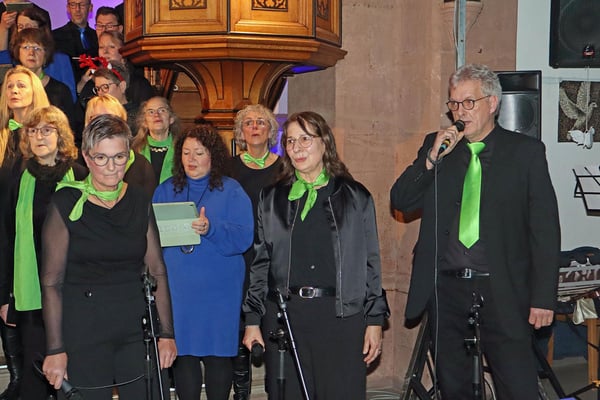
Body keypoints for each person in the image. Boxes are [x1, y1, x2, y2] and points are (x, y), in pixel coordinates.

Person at [390, 63, 561, 399]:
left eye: (469, 102)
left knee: (517, 385)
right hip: (446, 288)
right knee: (453, 385)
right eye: (454, 104)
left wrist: (543, 297)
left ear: (492, 103)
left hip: (503, 288)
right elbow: (401, 200)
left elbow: (545, 231)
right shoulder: (438, 148)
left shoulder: (525, 153)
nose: (460, 112)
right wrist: (430, 159)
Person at [242, 111, 389, 400]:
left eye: (305, 139)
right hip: (285, 317)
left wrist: (374, 320)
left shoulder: (354, 196)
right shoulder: (271, 198)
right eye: (290, 141)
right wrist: (252, 320)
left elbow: (370, 262)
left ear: (325, 143)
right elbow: (260, 263)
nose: (296, 147)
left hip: (339, 318)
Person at [40, 114, 177, 400]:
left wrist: (166, 334)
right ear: (86, 157)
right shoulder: (65, 201)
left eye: (119, 157)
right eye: (101, 158)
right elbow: (52, 282)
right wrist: (55, 349)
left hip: (135, 326)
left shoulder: (139, 199)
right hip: (84, 328)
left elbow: (157, 270)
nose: (112, 167)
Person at [153, 125, 254, 400]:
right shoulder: (165, 190)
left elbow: (244, 237)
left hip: (219, 293)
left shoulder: (231, 190)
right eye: (186, 152)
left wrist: (211, 228)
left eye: (199, 152)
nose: (191, 159)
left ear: (213, 156)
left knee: (218, 357)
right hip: (179, 292)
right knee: (183, 357)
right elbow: (150, 238)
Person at [0, 106, 87, 400]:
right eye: (33, 131)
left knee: (74, 374)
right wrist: (6, 295)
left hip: (72, 290)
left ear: (61, 136)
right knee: (34, 375)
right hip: (31, 292)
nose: (39, 136)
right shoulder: (20, 177)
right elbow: (8, 237)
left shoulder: (80, 175)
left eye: (47, 130)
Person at [0, 65, 49, 400]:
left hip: (24, 228)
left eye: (21, 85)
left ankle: (26, 378)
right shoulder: (2, 135)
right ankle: (17, 375)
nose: (14, 91)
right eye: (10, 86)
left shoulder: (41, 135)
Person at [229, 104, 281, 400]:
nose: (255, 126)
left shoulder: (284, 168)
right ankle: (241, 391)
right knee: (240, 322)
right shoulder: (229, 168)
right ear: (241, 131)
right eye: (248, 122)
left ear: (271, 130)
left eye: (261, 122)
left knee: (271, 317)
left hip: (273, 253)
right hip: (240, 253)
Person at [10, 28, 81, 137]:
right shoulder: (8, 89)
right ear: (18, 52)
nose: (31, 53)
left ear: (46, 55)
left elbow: (69, 131)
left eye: (37, 48)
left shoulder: (60, 91)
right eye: (26, 47)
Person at [85, 94, 157, 195]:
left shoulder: (141, 166)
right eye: (97, 118)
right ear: (87, 123)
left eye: (110, 118)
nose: (104, 125)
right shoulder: (75, 166)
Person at [0, 5, 77, 101]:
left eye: (28, 26)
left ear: (41, 29)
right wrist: (3, 29)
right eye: (20, 27)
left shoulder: (61, 59)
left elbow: (70, 97)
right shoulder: (12, 57)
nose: (24, 31)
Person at [77, 30, 154, 111]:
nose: (105, 51)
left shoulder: (139, 83)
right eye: (101, 47)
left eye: (112, 47)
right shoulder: (93, 80)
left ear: (123, 51)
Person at [132, 96, 181, 184]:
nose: (156, 115)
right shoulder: (134, 150)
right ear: (144, 122)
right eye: (151, 112)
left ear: (171, 118)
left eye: (162, 110)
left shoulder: (182, 149)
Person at [52, 0, 98, 82]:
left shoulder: (97, 37)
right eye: (73, 4)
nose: (77, 9)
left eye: (82, 4)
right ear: (68, 8)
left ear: (90, 8)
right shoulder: (54, 36)